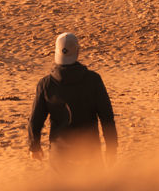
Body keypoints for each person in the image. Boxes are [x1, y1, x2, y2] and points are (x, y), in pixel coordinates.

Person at [27, 32, 118, 170]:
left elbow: (36, 119)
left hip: (60, 155)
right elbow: (107, 117)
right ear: (78, 52)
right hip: (90, 152)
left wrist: (34, 146)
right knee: (95, 190)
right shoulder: (93, 80)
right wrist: (111, 148)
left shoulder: (46, 84)